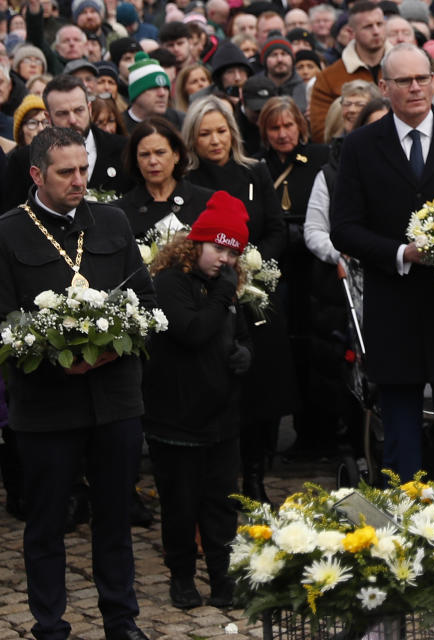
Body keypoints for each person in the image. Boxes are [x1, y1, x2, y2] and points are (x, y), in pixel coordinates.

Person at [0, 126, 155, 640]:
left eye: (83, 169)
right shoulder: (8, 232)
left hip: (114, 400)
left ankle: (121, 618)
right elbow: (3, 323)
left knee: (115, 517)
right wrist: (53, 358)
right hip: (45, 405)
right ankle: (49, 624)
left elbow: (148, 305)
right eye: (65, 172)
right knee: (47, 524)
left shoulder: (111, 221)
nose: (77, 181)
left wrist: (109, 348)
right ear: (36, 174)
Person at [330, 43, 434, 488]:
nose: (415, 88)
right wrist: (403, 253)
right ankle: (402, 530)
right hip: (393, 304)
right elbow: (343, 228)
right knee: (399, 432)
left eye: (423, 78)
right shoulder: (360, 146)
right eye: (403, 81)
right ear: (385, 87)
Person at [144, 190, 252, 611]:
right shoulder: (170, 282)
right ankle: (183, 577)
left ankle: (224, 579)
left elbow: (239, 333)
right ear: (196, 244)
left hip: (220, 419)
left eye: (232, 252)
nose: (225, 259)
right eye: (218, 248)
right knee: (180, 504)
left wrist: (245, 354)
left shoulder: (224, 288)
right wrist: (224, 297)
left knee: (221, 503)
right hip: (176, 418)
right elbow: (189, 331)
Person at [181, 95, 290, 504]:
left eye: (221, 131)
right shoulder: (188, 179)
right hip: (209, 295)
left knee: (263, 387)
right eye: (205, 133)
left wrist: (252, 265)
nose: (215, 140)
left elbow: (277, 228)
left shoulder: (254, 171)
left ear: (233, 132)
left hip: (256, 293)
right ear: (193, 137)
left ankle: (257, 473)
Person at [257, 95, 332, 457]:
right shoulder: (260, 167)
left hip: (313, 269)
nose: (283, 134)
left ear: (300, 126)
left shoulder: (319, 158)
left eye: (288, 125)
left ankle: (315, 432)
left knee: (313, 353)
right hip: (277, 271)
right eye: (275, 127)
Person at [2, 74, 129, 213]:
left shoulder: (123, 149)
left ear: (89, 109)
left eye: (79, 110)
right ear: (48, 118)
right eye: (62, 113)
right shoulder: (25, 159)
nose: (73, 120)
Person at [114, 117, 214, 239]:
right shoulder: (119, 212)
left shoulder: (208, 203)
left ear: (176, 155)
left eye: (160, 152)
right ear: (136, 161)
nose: (153, 161)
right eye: (145, 155)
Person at [309, 1, 388, 140]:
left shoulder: (405, 69)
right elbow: (322, 131)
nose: (376, 31)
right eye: (368, 26)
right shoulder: (328, 78)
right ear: (352, 32)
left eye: (380, 24)